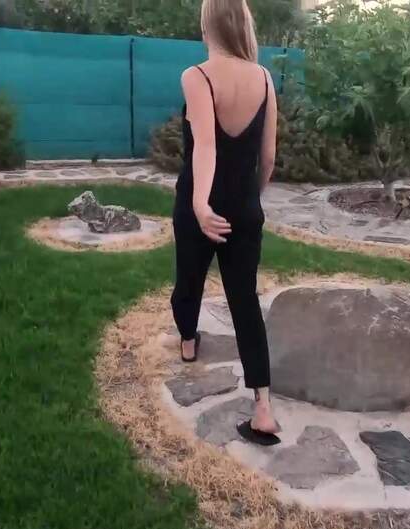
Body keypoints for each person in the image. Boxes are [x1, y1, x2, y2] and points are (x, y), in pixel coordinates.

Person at [171, 0, 280, 442]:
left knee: (189, 280)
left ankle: (188, 343)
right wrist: (251, 199)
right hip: (244, 208)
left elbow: (205, 147)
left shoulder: (196, 76)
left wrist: (201, 205)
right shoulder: (265, 78)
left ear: (208, 24)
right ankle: (263, 407)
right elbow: (268, 158)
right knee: (245, 301)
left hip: (200, 206)